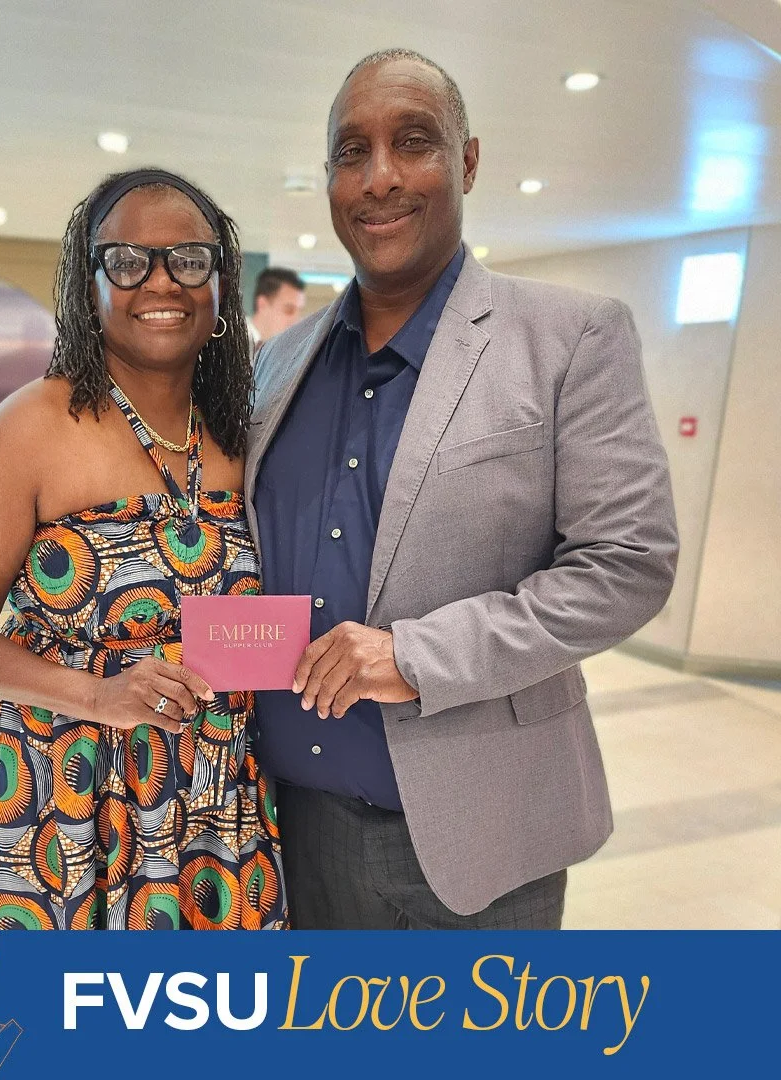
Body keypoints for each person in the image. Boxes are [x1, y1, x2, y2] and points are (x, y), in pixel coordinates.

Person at [248, 49, 679, 929]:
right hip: (293, 832)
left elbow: (627, 565)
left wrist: (415, 657)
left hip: (482, 840)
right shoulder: (278, 365)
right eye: (351, 152)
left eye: (413, 142)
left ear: (468, 160)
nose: (379, 177)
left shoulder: (569, 338)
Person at [0, 167, 287, 931]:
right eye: (127, 260)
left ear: (221, 285)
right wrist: (96, 695)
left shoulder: (241, 432)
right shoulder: (29, 430)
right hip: (67, 798)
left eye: (189, 259)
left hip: (216, 801)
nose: (162, 281)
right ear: (89, 287)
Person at [247, 267, 307, 352]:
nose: (297, 321)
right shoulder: (233, 342)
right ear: (262, 305)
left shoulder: (279, 351)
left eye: (299, 312)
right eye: (289, 310)